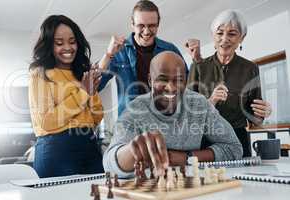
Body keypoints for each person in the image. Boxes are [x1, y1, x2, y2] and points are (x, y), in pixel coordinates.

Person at [103, 51, 242, 178]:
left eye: (179, 80)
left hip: (191, 187)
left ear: (186, 81)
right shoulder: (134, 111)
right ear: (150, 80)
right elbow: (108, 165)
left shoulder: (200, 105)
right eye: (162, 79)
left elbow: (234, 147)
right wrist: (131, 152)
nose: (171, 88)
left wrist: (186, 158)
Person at [186, 10, 272, 157]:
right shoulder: (199, 67)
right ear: (213, 36)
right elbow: (187, 113)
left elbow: (255, 118)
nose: (224, 39)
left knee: (243, 180)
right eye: (220, 33)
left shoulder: (250, 68)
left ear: (241, 38)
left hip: (238, 138)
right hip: (205, 139)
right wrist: (210, 101)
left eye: (232, 34)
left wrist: (264, 113)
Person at [29, 15, 104, 178]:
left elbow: (97, 117)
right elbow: (47, 122)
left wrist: (91, 92)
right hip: (55, 150)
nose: (68, 47)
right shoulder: (39, 74)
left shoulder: (81, 73)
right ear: (49, 45)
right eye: (59, 43)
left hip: (90, 146)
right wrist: (83, 92)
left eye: (72, 41)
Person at [98, 0, 188, 116]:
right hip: (131, 121)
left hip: (164, 120)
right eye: (141, 25)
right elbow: (96, 86)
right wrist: (108, 54)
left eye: (151, 26)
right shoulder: (119, 51)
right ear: (132, 24)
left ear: (158, 24)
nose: (146, 32)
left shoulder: (170, 49)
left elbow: (186, 82)